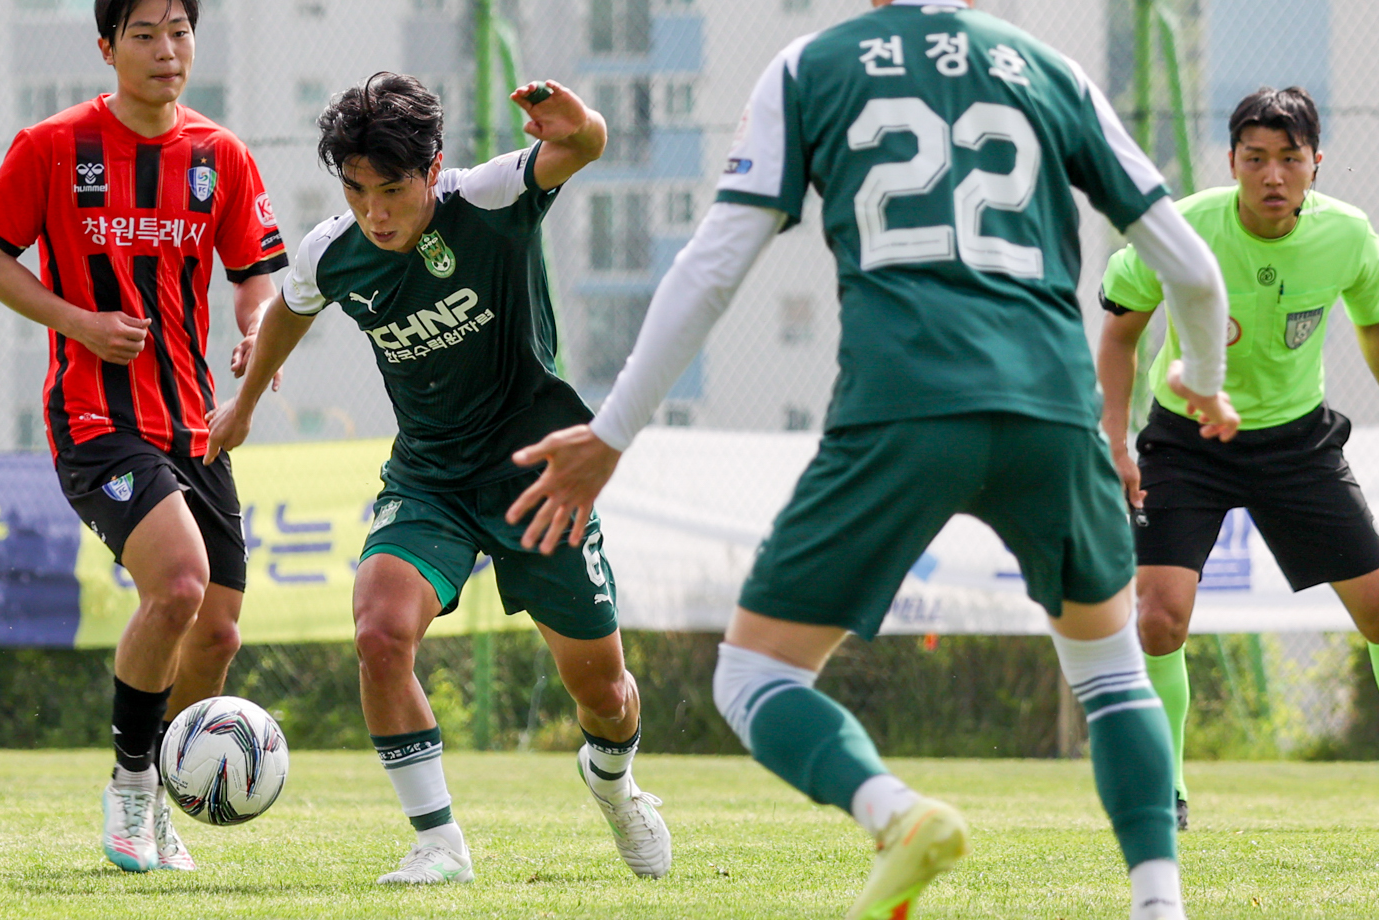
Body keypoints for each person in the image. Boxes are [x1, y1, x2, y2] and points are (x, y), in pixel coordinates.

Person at [505, 2, 1239, 918]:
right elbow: (1194, 270)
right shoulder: (1049, 70)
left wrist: (612, 432)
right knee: (1113, 674)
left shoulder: (811, 67)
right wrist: (1204, 379)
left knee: (755, 676)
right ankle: (1160, 904)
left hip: (902, 410)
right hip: (1052, 412)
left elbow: (711, 268)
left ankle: (896, 815)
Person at [204, 73, 671, 885]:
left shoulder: (488, 198)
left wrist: (582, 122)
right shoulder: (334, 251)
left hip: (538, 477)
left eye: (392, 190)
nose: (374, 213)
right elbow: (289, 308)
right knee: (379, 633)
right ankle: (439, 844)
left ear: (432, 169)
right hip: (430, 479)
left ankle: (614, 782)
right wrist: (242, 405)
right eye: (356, 192)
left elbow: (582, 147)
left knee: (604, 695)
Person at [0, 0, 288, 874]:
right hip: (96, 420)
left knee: (217, 636)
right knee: (179, 583)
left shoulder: (221, 155)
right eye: (144, 34)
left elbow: (256, 275)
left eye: (179, 31)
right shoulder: (51, 146)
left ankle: (171, 800)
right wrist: (79, 321)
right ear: (107, 47)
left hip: (195, 424)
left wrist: (254, 330)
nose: (165, 49)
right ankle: (132, 786)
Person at [1098, 85, 1379, 832]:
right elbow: (1120, 333)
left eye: (1290, 158)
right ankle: (1164, 788)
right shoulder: (1181, 229)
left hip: (1297, 443)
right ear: (1231, 162)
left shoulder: (1350, 236)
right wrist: (1115, 440)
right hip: (1187, 444)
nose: (1273, 175)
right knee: (1158, 619)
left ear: (1316, 163)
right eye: (1255, 159)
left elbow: (1374, 326)